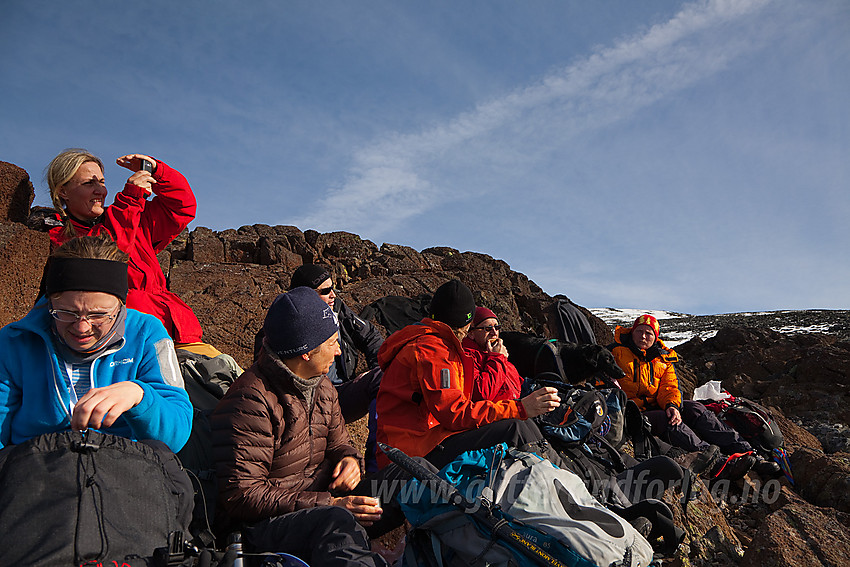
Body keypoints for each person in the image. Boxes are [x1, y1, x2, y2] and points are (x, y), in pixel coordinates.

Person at [0, 235, 193, 534]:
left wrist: (140, 396)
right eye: (65, 313)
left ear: (120, 307)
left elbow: (177, 432)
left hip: (126, 483)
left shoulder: (148, 334)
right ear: (49, 301)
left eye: (99, 315)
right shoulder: (12, 342)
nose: (81, 327)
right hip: (36, 482)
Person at [211, 287, 388, 567]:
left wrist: (349, 460)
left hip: (324, 504)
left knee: (408, 479)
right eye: (332, 342)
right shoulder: (250, 400)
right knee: (335, 522)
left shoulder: (324, 386)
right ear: (306, 352)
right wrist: (328, 504)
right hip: (264, 528)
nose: (339, 350)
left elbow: (341, 444)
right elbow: (243, 495)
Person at [45, 148, 217, 357]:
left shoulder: (132, 215)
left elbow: (182, 207)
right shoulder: (56, 233)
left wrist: (157, 171)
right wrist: (130, 200)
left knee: (229, 379)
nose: (101, 190)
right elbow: (105, 259)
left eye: (102, 182)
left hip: (178, 332)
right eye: (89, 183)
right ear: (63, 191)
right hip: (124, 340)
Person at [375, 279, 561, 470]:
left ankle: (568, 481)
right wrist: (519, 407)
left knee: (521, 425)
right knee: (515, 428)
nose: (494, 333)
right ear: (468, 325)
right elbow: (456, 413)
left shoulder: (436, 345)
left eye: (497, 327)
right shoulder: (433, 352)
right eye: (486, 327)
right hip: (409, 454)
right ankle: (569, 486)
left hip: (424, 440)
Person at [609, 314, 781, 479]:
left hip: (656, 405)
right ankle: (718, 463)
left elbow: (669, 387)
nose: (643, 336)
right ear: (632, 332)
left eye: (649, 333)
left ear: (655, 337)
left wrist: (672, 406)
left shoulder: (662, 359)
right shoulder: (615, 353)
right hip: (630, 412)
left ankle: (748, 453)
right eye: (639, 331)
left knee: (695, 408)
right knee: (668, 420)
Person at [463, 306, 524, 402]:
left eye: (497, 327)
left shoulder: (494, 352)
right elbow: (481, 394)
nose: (494, 332)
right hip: (496, 413)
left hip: (514, 405)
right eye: (488, 328)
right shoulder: (467, 356)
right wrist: (497, 358)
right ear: (471, 333)